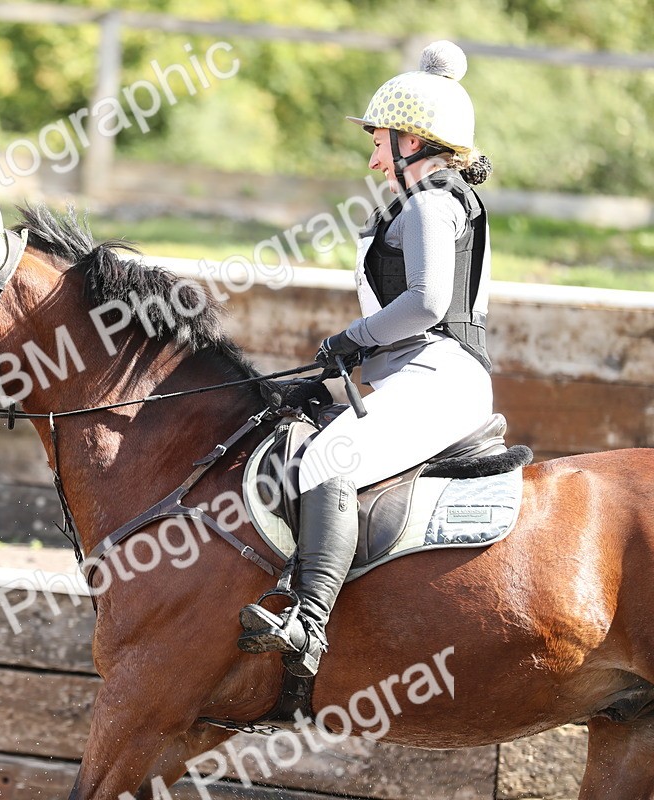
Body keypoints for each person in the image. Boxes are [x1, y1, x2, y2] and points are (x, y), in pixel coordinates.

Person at [237, 40, 496, 678]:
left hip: (440, 376)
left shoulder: (433, 200)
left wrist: (351, 338)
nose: (373, 155)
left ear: (413, 141)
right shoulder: (418, 200)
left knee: (331, 459)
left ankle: (308, 622)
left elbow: (428, 302)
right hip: (408, 371)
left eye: (380, 140)